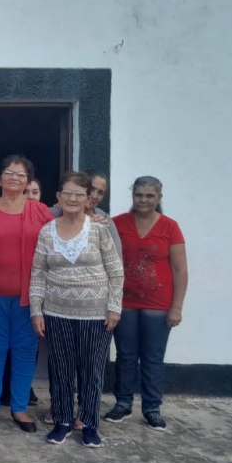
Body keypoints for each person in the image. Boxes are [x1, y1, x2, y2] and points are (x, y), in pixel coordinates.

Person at [30, 171, 124, 447]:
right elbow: (38, 272)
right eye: (67, 193)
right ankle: (62, 421)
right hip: (56, 311)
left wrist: (114, 307)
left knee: (92, 370)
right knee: (60, 368)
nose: (72, 199)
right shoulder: (47, 231)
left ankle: (90, 424)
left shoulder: (99, 229)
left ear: (88, 199)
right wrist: (36, 310)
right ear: (58, 197)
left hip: (96, 314)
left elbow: (116, 271)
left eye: (79, 194)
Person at [0, 155, 54, 434]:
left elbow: (60, 237)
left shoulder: (40, 211)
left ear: (28, 181)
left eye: (20, 175)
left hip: (29, 296)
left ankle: (19, 408)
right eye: (8, 173)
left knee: (25, 349)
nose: (14, 178)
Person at [105, 176, 188, 430]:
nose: (144, 200)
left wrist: (177, 307)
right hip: (124, 301)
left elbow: (180, 270)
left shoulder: (169, 227)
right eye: (139, 195)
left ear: (159, 198)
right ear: (133, 196)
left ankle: (152, 408)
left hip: (158, 303)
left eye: (150, 196)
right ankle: (123, 403)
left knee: (153, 357)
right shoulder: (118, 223)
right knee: (126, 355)